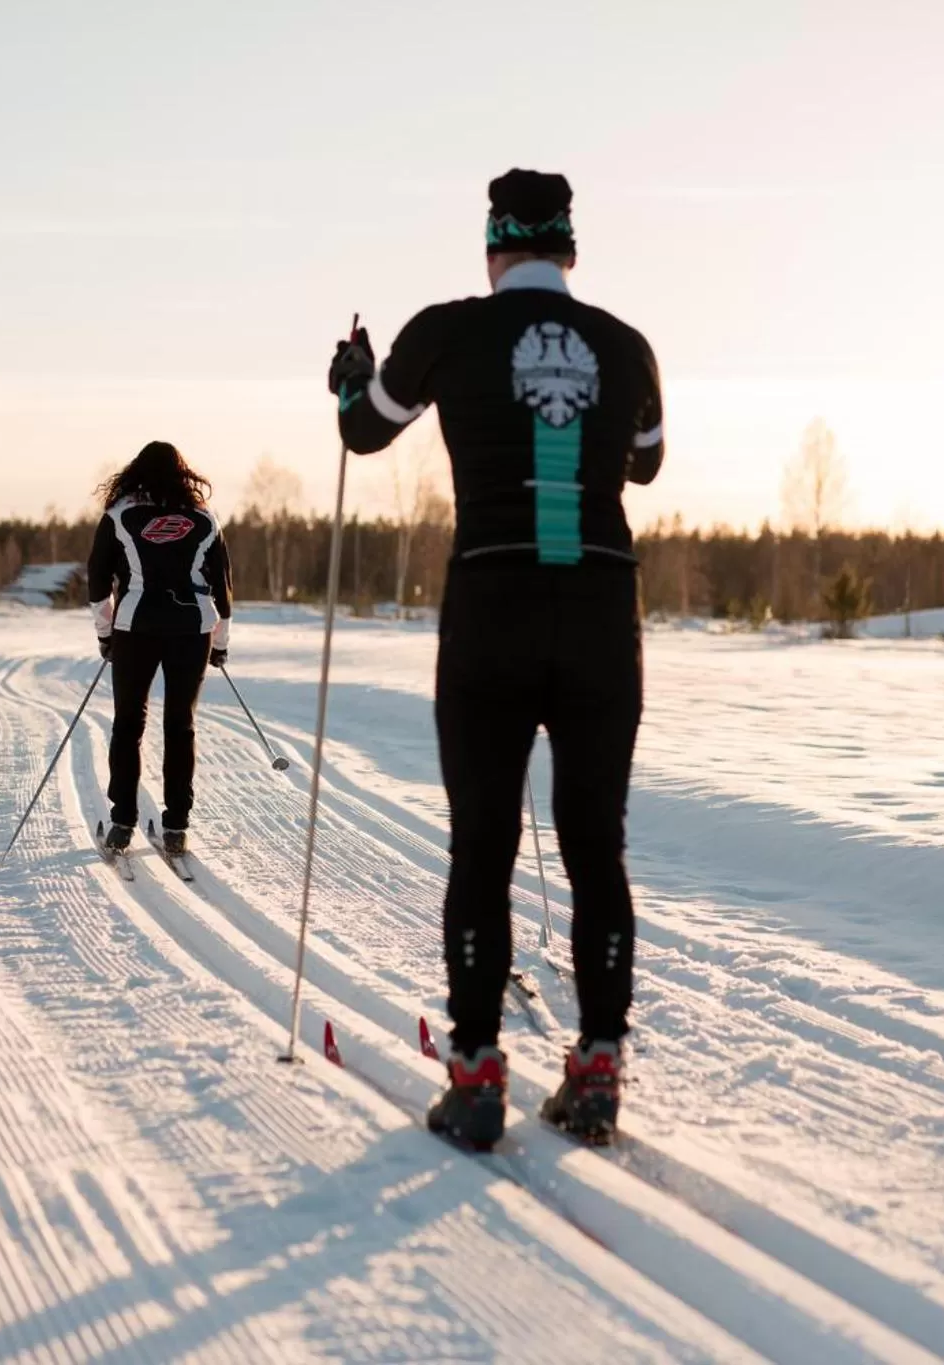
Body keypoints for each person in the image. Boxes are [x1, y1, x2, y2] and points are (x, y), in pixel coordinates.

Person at [327, 169, 664, 1147]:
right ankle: (596, 1068)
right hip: (601, 602)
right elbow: (644, 460)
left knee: (481, 841)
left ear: (491, 246)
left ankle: (475, 1077)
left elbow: (361, 429)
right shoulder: (624, 344)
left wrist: (351, 370)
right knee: (595, 843)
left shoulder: (445, 330)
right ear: (569, 249)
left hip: (492, 603)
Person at [86, 440, 233, 858]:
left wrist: (106, 634)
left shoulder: (120, 515)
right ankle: (176, 827)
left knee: (128, 723)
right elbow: (222, 589)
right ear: (183, 473)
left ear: (135, 472)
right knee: (180, 724)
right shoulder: (205, 518)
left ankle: (121, 822)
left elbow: (97, 581)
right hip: (193, 628)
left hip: (136, 626)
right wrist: (219, 645)